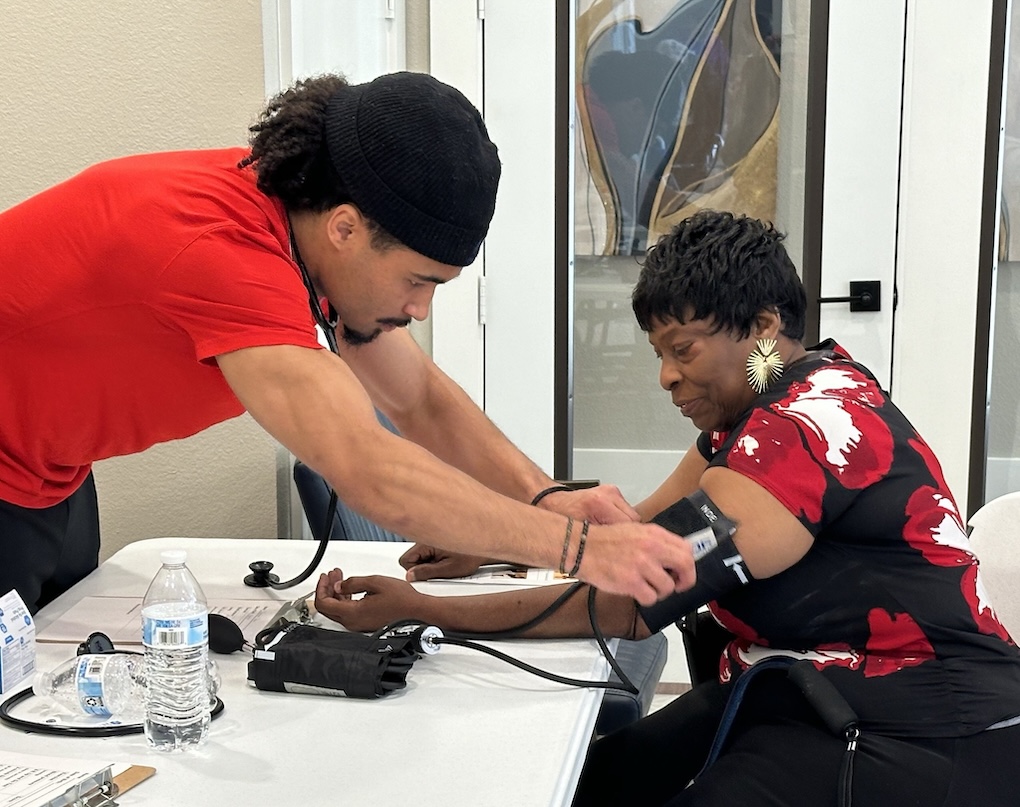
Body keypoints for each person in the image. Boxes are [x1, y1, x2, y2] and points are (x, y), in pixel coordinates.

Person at [314, 210, 1020, 806]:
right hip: (800, 684)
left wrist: (420, 607)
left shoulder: (798, 438)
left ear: (764, 327)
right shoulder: (779, 395)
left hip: (926, 732)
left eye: (682, 349)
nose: (666, 376)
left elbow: (627, 597)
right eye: (658, 352)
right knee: (595, 784)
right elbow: (638, 528)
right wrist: (501, 548)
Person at [0, 71, 697, 615]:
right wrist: (577, 548)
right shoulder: (222, 251)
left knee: (55, 679)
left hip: (48, 464)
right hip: (8, 466)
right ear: (346, 228)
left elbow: (418, 399)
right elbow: (367, 467)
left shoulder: (304, 231)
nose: (419, 310)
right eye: (419, 281)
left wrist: (545, 496)